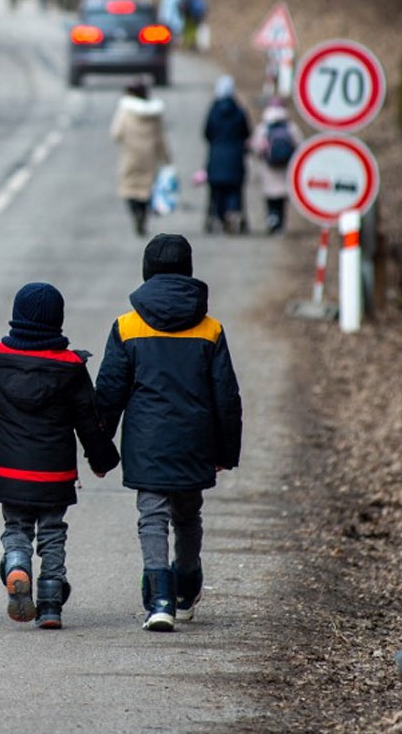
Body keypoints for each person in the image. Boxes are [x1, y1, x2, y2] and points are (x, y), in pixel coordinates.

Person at [93, 234, 243, 632]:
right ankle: (186, 585)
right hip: (196, 439)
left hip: (147, 440)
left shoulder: (127, 326)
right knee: (188, 514)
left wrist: (99, 447)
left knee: (152, 516)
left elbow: (109, 393)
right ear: (189, 271)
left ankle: (158, 597)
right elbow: (226, 396)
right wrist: (226, 452)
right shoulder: (210, 329)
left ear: (147, 271)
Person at [0, 282, 120, 629]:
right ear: (58, 321)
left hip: (8, 472)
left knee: (16, 526)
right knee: (52, 532)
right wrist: (102, 459)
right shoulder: (71, 367)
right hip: (55, 474)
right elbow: (88, 421)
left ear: (16, 318)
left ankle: (18, 564)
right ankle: (50, 603)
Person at [110, 80, 171, 236]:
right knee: (147, 189)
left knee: (130, 189)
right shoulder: (154, 114)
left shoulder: (125, 111)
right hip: (149, 158)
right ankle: (143, 216)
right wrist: (166, 158)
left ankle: (135, 214)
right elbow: (160, 138)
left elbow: (116, 134)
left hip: (130, 157)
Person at [202, 75, 251, 233]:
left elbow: (206, 133)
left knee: (217, 191)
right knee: (234, 190)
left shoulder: (213, 111)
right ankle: (233, 213)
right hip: (235, 158)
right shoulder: (239, 110)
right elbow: (247, 132)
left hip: (216, 158)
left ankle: (220, 216)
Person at [249, 103, 303, 234]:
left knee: (270, 197)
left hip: (269, 168)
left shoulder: (263, 128)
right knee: (282, 199)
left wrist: (261, 156)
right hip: (285, 168)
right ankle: (280, 223)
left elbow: (256, 147)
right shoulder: (290, 127)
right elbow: (300, 145)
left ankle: (272, 217)